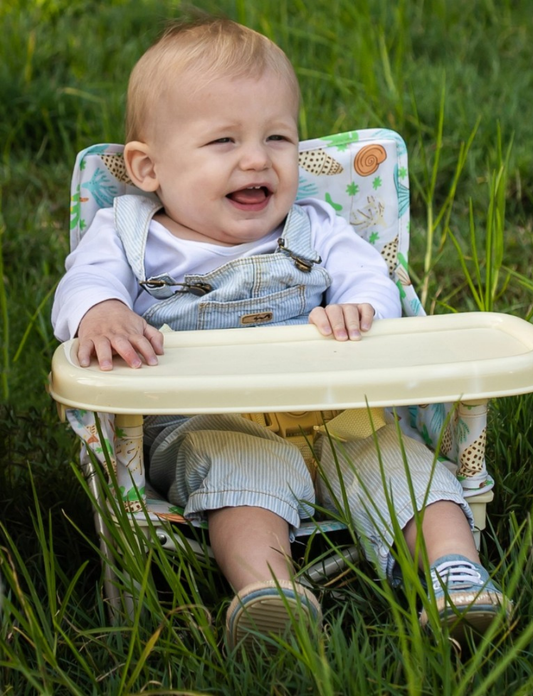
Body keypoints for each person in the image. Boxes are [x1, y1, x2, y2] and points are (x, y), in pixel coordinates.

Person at [52, 18, 510, 649]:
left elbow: (373, 280)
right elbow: (82, 286)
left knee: (403, 464)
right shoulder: (128, 233)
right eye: (222, 141)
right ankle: (269, 592)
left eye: (278, 137)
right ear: (148, 167)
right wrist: (102, 312)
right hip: (206, 418)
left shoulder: (314, 224)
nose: (256, 159)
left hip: (336, 412)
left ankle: (454, 573)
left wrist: (360, 309)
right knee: (245, 469)